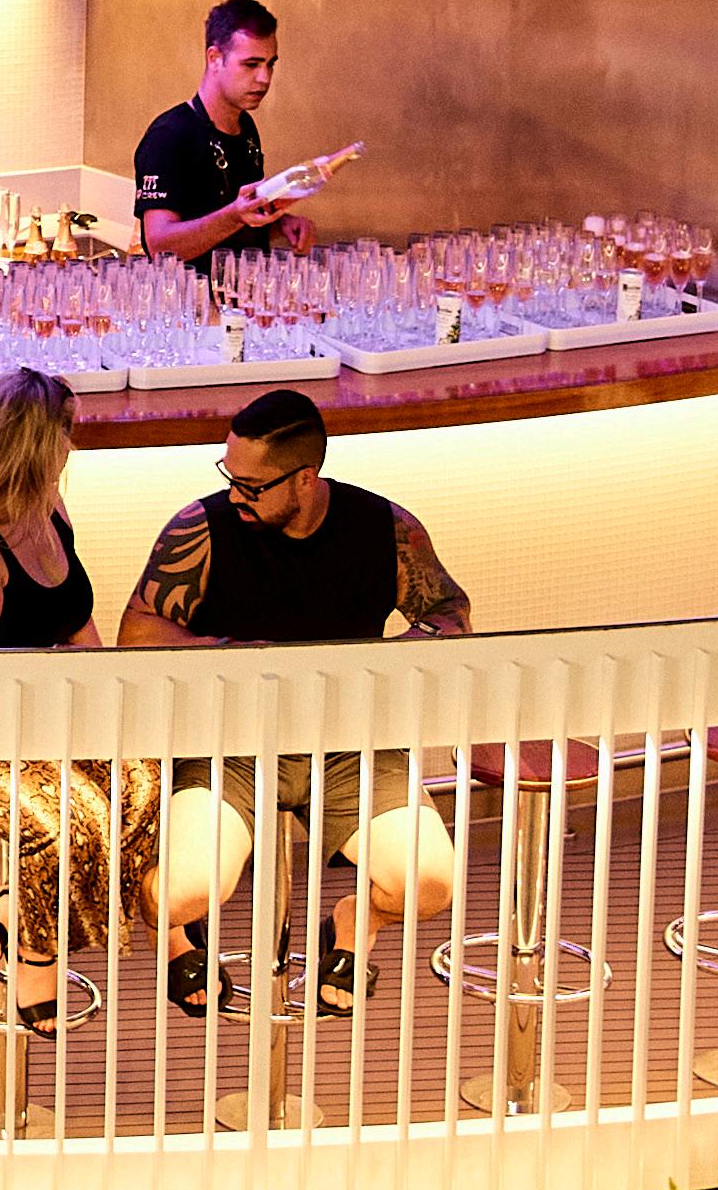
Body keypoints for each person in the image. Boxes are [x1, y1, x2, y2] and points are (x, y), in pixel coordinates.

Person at [119, 392, 470, 1018]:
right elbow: (138, 631)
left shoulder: (384, 526)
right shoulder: (200, 528)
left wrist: (397, 659)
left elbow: (449, 612)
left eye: (252, 486)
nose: (235, 495)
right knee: (177, 894)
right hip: (231, 744)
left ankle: (356, 921)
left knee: (430, 882)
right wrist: (233, 653)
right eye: (229, 476)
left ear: (305, 479)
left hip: (349, 742)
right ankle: (173, 938)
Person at [0, 371, 162, 1048]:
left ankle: (25, 907)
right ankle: (33, 948)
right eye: (64, 434)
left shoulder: (48, 509)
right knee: (65, 817)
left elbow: (75, 624)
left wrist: (110, 714)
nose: (72, 447)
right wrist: (69, 741)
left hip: (41, 716)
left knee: (143, 781)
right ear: (32, 444)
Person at [134, 0, 345, 264]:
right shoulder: (168, 136)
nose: (264, 78)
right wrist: (234, 216)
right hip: (191, 291)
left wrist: (279, 224)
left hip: (246, 289)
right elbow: (160, 247)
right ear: (214, 58)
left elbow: (238, 220)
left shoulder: (245, 127)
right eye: (251, 65)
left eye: (270, 64)